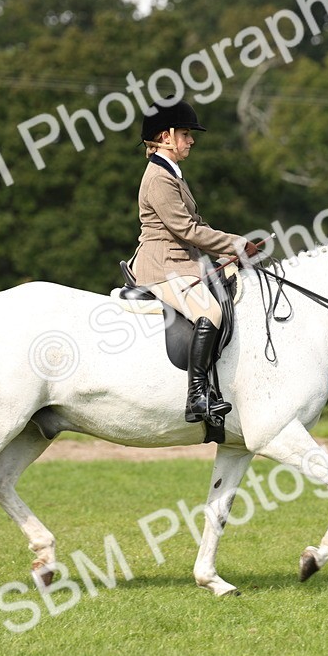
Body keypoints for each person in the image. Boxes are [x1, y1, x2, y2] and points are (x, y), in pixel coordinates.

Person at [129, 98, 260, 424]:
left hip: (182, 261)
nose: (191, 140)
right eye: (185, 133)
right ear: (165, 136)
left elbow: (193, 227)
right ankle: (197, 397)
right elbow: (186, 228)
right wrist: (236, 244)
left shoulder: (171, 173)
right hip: (162, 266)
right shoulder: (159, 178)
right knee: (210, 310)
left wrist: (228, 255)